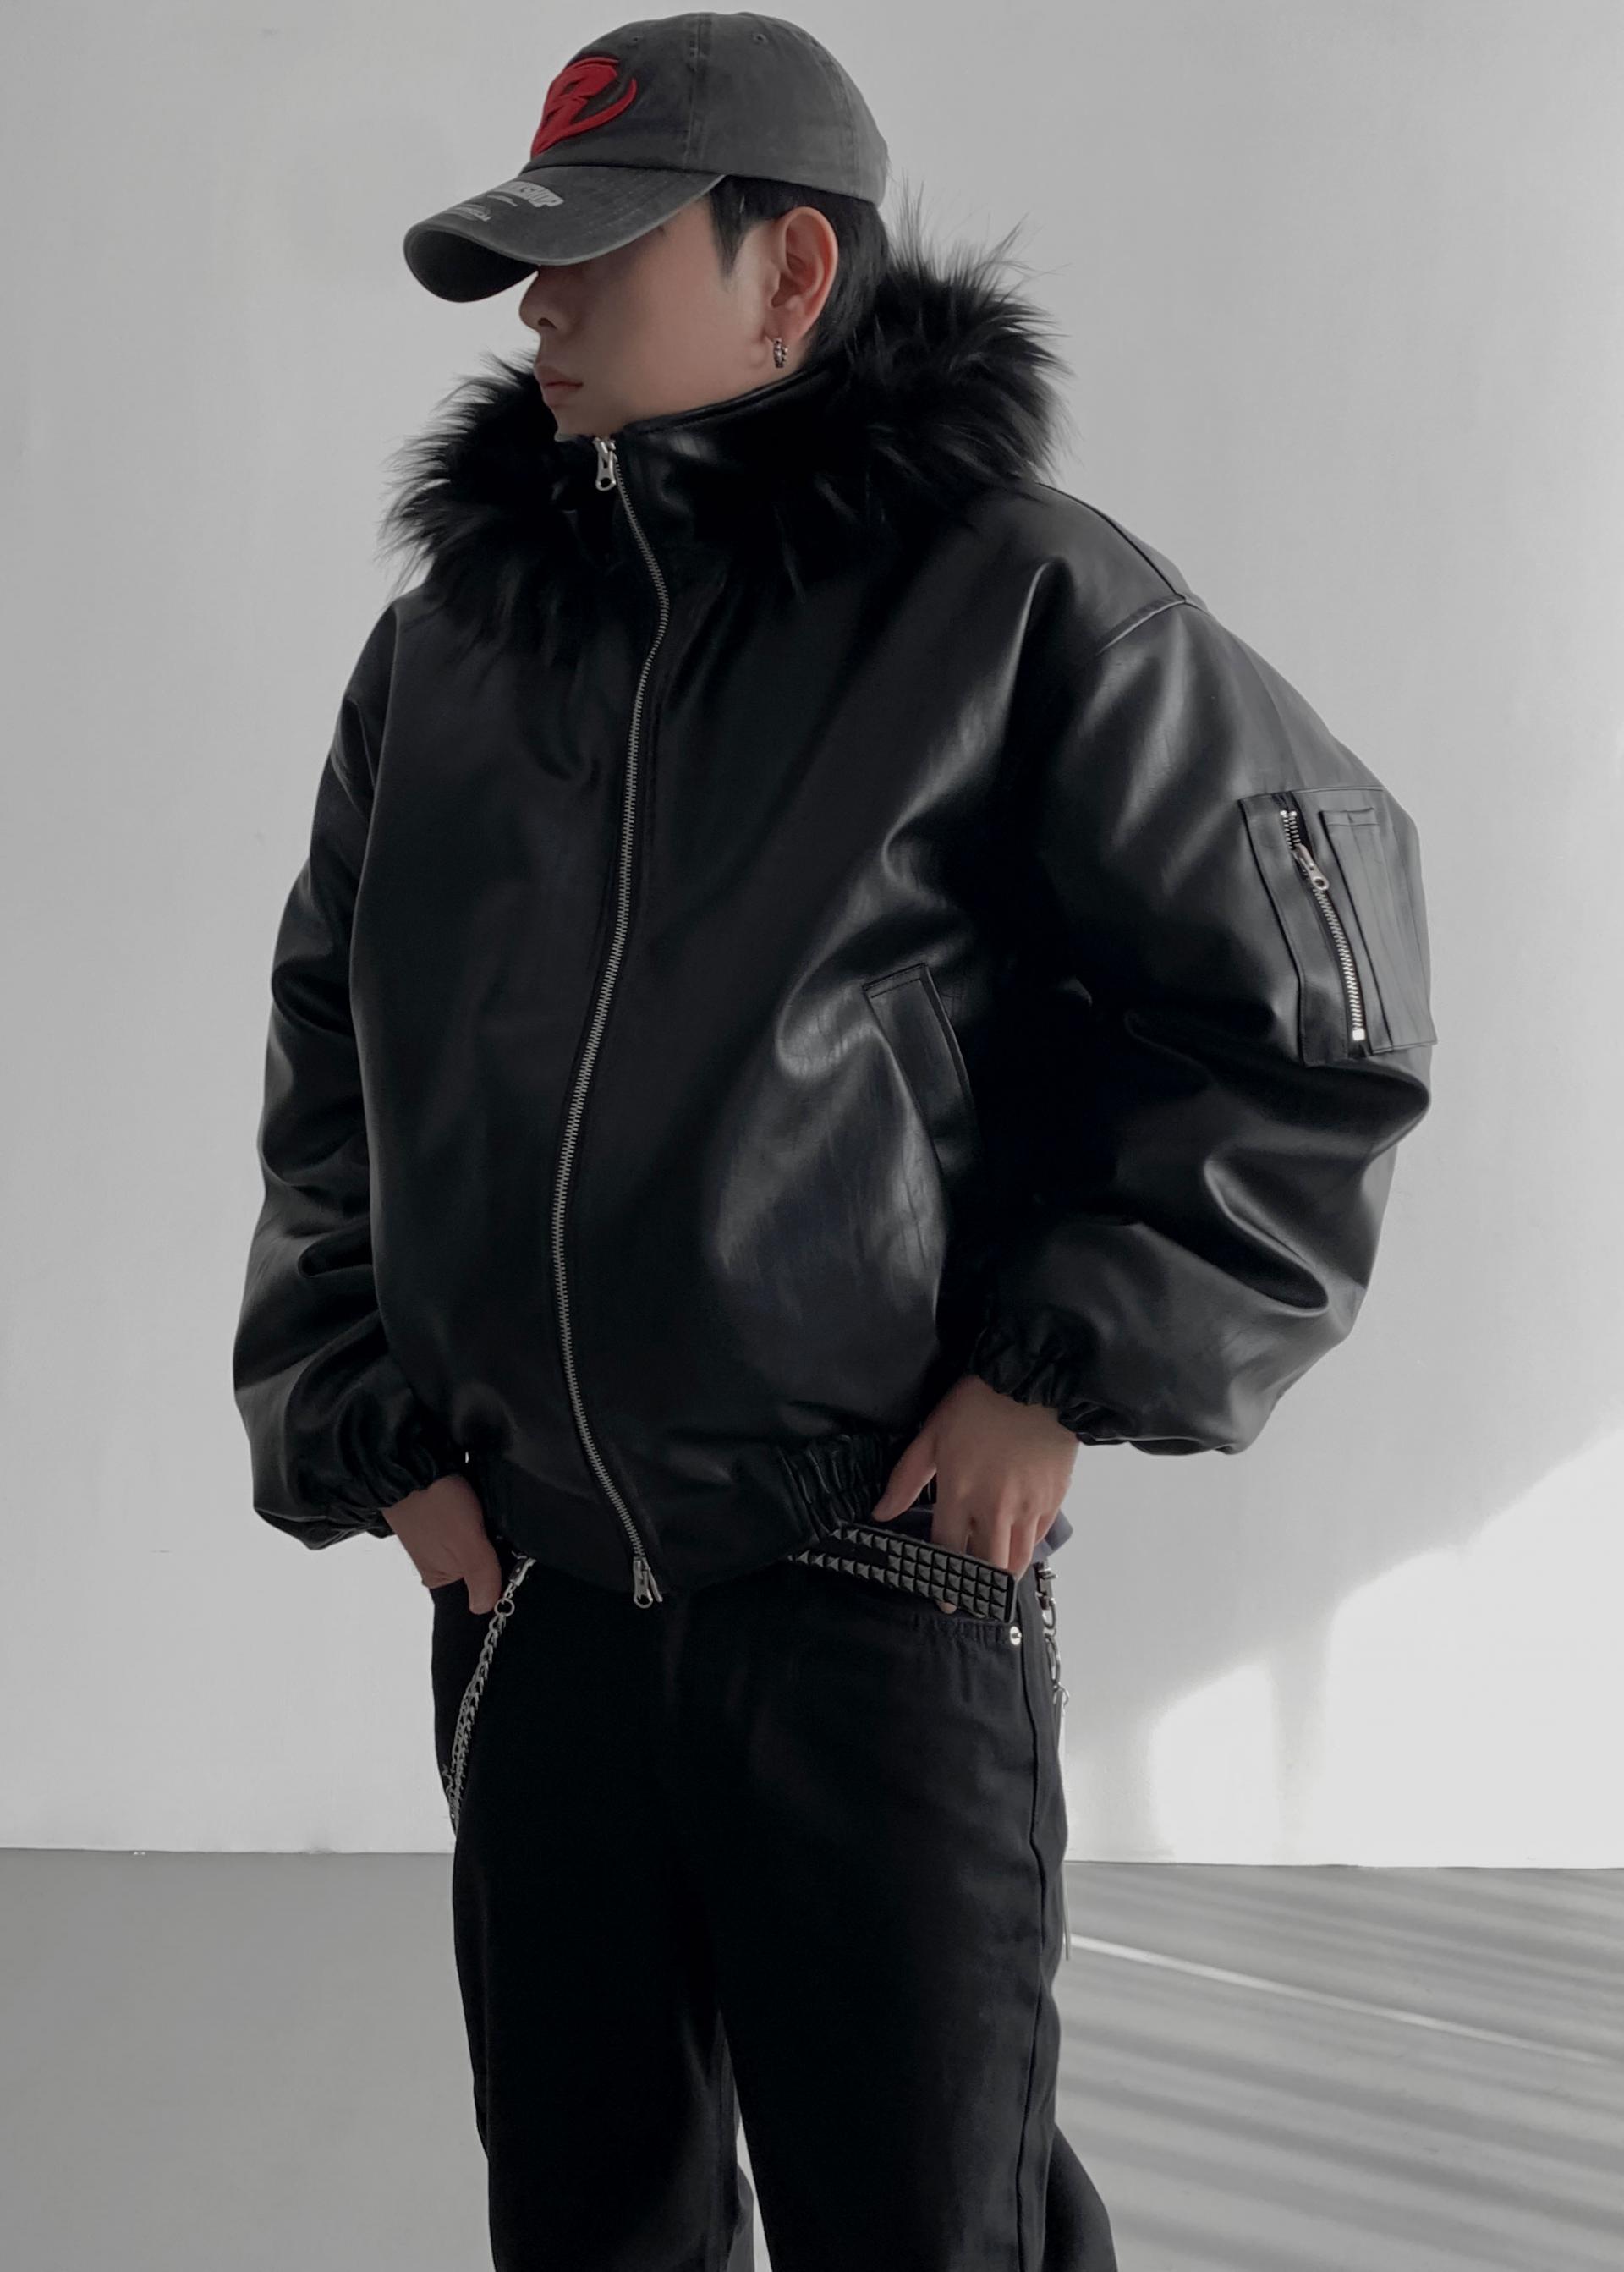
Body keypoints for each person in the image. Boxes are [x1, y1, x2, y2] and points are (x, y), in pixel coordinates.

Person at [232, 14, 1435, 2269]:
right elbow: (331, 1063)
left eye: (599, 248)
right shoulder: (446, 659)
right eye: (527, 254)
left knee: (926, 2223)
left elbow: (1310, 989)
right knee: (590, 2223)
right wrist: (369, 1425)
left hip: (868, 1585)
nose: (541, 302)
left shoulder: (1016, 602)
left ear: (790, 272)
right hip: (535, 1601)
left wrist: (1062, 1371)